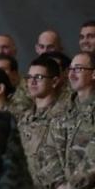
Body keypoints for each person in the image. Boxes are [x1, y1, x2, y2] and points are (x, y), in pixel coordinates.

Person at [41, 52, 95, 188]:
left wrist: (71, 186)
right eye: (70, 69)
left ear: (93, 74)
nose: (71, 75)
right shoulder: (63, 108)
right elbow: (49, 148)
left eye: (78, 69)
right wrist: (59, 184)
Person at [17, 57, 67, 188]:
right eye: (29, 77)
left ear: (54, 81)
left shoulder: (66, 117)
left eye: (39, 77)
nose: (32, 82)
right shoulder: (23, 118)